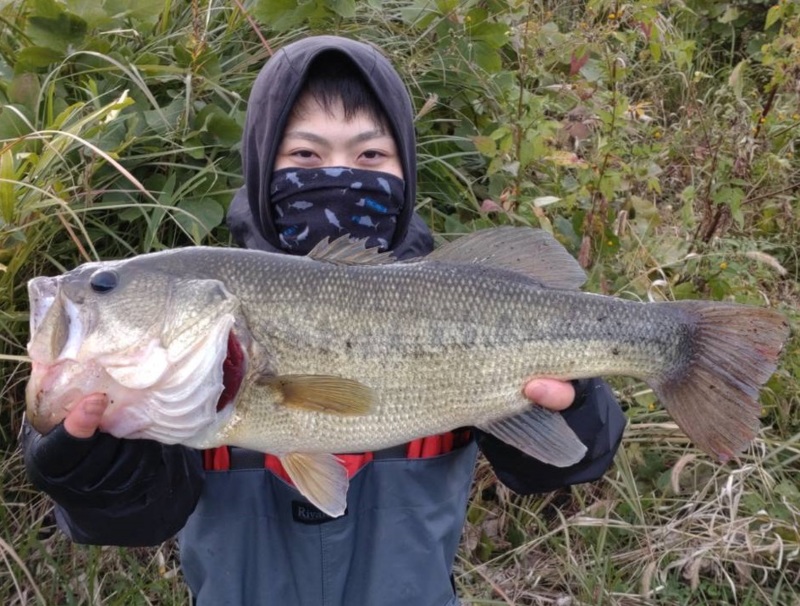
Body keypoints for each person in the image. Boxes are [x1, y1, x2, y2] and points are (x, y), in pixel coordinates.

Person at [22, 36, 626, 605]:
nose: (339, 174)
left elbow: (568, 462)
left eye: (370, 154)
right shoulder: (177, 375)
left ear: (405, 169)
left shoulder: (462, 291)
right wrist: (91, 468)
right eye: (306, 154)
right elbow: (137, 518)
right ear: (263, 165)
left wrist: (573, 408)